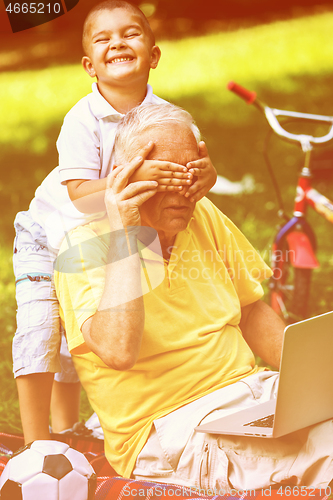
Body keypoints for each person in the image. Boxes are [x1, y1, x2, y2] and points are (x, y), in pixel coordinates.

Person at [54, 102, 333, 492]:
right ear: (126, 179)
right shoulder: (86, 247)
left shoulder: (203, 215)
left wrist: (314, 382)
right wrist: (126, 233)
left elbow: (251, 311)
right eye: (167, 175)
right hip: (172, 428)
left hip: (253, 395)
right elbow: (118, 350)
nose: (187, 190)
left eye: (192, 172)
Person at [13, 0, 217, 444]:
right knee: (43, 329)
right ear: (89, 65)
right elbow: (79, 196)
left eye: (130, 33)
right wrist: (133, 178)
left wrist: (207, 175)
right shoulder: (81, 121)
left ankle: (66, 429)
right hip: (48, 236)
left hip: (105, 234)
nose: (117, 42)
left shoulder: (166, 117)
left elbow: (197, 163)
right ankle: (34, 442)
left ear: (154, 56)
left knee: (82, 330)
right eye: (103, 39)